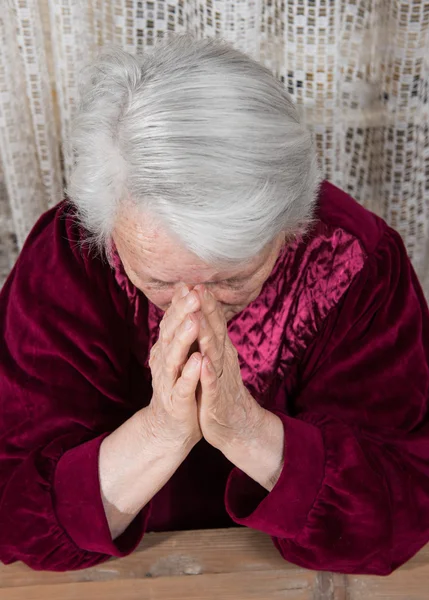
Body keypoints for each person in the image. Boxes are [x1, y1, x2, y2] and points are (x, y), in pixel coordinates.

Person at [1, 34, 429, 575]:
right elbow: (13, 508)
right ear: (107, 230)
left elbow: (400, 507)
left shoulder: (352, 259)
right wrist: (159, 431)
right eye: (158, 279)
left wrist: (244, 429)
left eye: (234, 279)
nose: (195, 309)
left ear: (293, 224)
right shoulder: (67, 258)